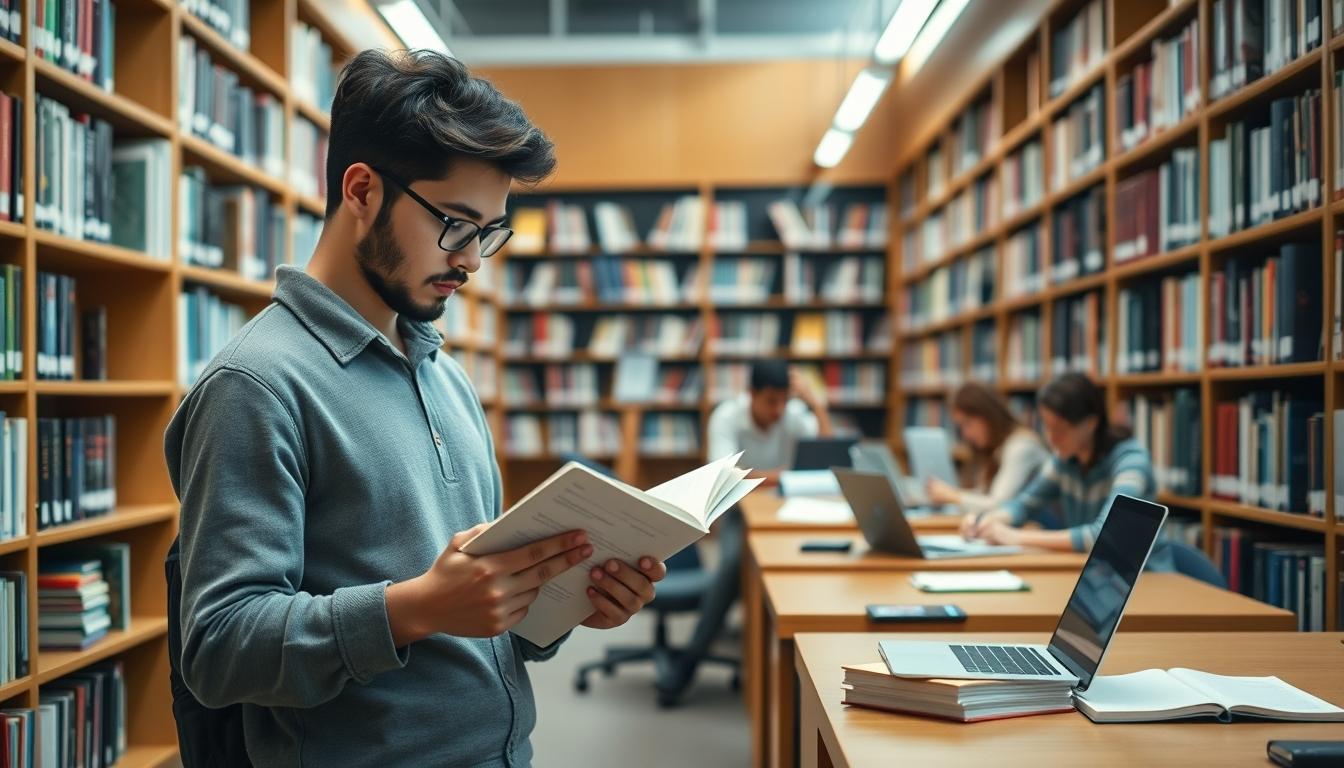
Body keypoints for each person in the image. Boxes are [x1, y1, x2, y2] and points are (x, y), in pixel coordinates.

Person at [164, 50, 667, 768]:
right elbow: (217, 648)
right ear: (363, 190)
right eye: (456, 224)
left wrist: (564, 601)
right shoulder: (256, 385)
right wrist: (413, 608)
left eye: (490, 233)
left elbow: (483, 625)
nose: (472, 261)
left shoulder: (445, 375)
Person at [961, 373, 1173, 570]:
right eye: (1047, 426)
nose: (1051, 438)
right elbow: (1024, 504)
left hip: (1143, 579)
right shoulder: (1064, 460)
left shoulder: (1130, 461)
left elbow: (1104, 536)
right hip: (1095, 577)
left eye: (1060, 429)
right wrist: (988, 521)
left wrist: (1015, 537)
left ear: (1090, 423)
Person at [924, 382, 1048, 513]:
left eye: (968, 423)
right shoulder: (998, 448)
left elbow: (999, 504)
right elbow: (986, 493)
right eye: (961, 427)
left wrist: (954, 496)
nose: (965, 434)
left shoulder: (1021, 446)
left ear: (988, 415)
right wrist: (949, 494)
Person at [706, 360, 833, 485]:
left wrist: (815, 403)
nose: (779, 410)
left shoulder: (793, 413)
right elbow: (724, 475)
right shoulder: (726, 417)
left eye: (785, 400)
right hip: (740, 500)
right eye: (771, 401)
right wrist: (790, 475)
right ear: (752, 393)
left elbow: (826, 452)